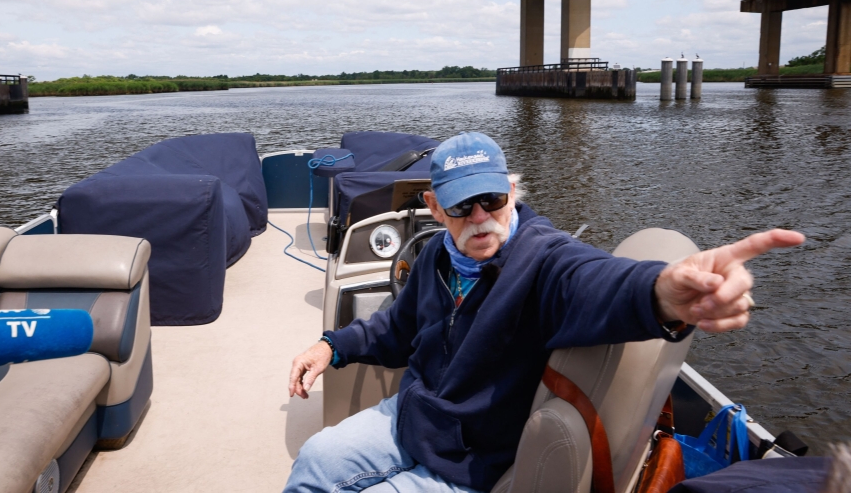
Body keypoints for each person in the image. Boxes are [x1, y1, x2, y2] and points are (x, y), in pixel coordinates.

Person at [285, 132, 804, 493]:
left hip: (470, 459)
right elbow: (395, 330)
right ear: (436, 207)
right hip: (412, 416)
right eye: (463, 206)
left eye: (491, 198)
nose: (481, 218)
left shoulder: (543, 260)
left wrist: (664, 293)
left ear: (512, 191)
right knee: (315, 461)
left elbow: (594, 281)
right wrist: (331, 346)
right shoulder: (436, 256)